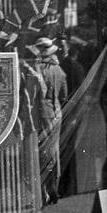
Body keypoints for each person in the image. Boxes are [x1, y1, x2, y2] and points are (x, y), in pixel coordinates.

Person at [36, 37, 68, 204]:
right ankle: (53, 187)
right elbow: (64, 96)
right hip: (56, 114)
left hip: (42, 113)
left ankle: (42, 190)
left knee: (40, 151)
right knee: (53, 151)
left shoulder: (36, 69)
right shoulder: (60, 71)